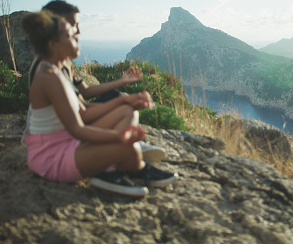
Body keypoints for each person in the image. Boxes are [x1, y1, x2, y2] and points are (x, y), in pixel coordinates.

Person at [21, 10, 178, 197]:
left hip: (67, 143)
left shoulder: (57, 71)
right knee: (127, 147)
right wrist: (119, 137)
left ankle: (125, 167)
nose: (77, 38)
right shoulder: (48, 77)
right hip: (51, 157)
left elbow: (84, 109)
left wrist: (126, 100)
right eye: (70, 36)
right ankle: (126, 169)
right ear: (53, 44)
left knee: (128, 114)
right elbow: (77, 129)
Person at [27, 0, 165, 163]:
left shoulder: (62, 64)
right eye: (73, 25)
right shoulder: (48, 72)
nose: (77, 30)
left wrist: (121, 82)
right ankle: (118, 149)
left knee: (117, 97)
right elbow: (81, 114)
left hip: (69, 124)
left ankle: (123, 145)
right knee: (122, 103)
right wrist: (123, 102)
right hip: (62, 135)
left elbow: (84, 92)